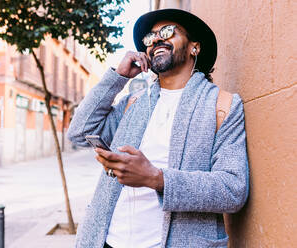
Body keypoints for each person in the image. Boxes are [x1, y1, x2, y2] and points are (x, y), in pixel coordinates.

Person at [67, 8, 249, 248]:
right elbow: (79, 132)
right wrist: (118, 77)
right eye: (150, 38)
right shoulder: (134, 101)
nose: (156, 40)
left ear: (195, 46)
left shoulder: (222, 105)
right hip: (107, 241)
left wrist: (157, 179)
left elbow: (233, 190)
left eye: (167, 31)